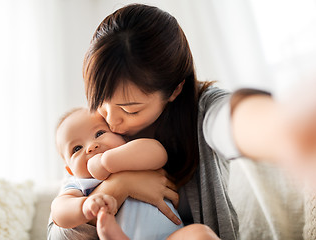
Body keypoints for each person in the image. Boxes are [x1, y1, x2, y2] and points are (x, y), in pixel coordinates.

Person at [48, 3, 316, 240]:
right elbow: (59, 231)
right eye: (99, 103)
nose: (111, 120)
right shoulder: (90, 135)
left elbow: (233, 121)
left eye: (130, 109)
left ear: (175, 90)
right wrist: (120, 186)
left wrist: (286, 128)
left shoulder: (202, 111)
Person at [51, 107, 219, 240]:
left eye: (99, 133)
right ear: (69, 170)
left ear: (122, 137)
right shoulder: (81, 183)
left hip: (171, 236)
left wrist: (106, 161)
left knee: (200, 233)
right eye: (77, 148)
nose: (91, 146)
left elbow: (158, 154)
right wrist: (85, 206)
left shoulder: (131, 154)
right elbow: (59, 212)